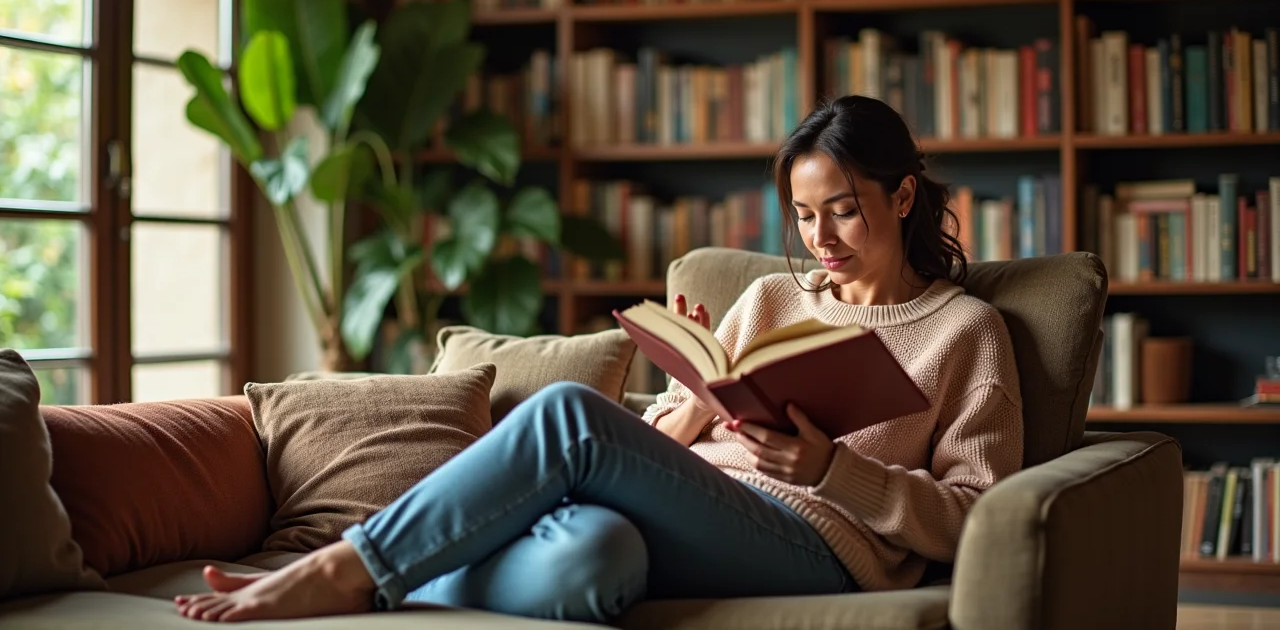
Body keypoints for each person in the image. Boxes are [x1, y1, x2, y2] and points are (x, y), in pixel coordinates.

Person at [175, 94, 1023, 624]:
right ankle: (399, 582)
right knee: (593, 563)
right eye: (803, 217)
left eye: (842, 211)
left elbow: (976, 517)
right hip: (704, 509)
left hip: (820, 547)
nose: (820, 239)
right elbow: (683, 430)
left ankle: (342, 565)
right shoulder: (773, 300)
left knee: (568, 417)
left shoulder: (966, 333)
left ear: (902, 196)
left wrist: (831, 468)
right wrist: (689, 408)